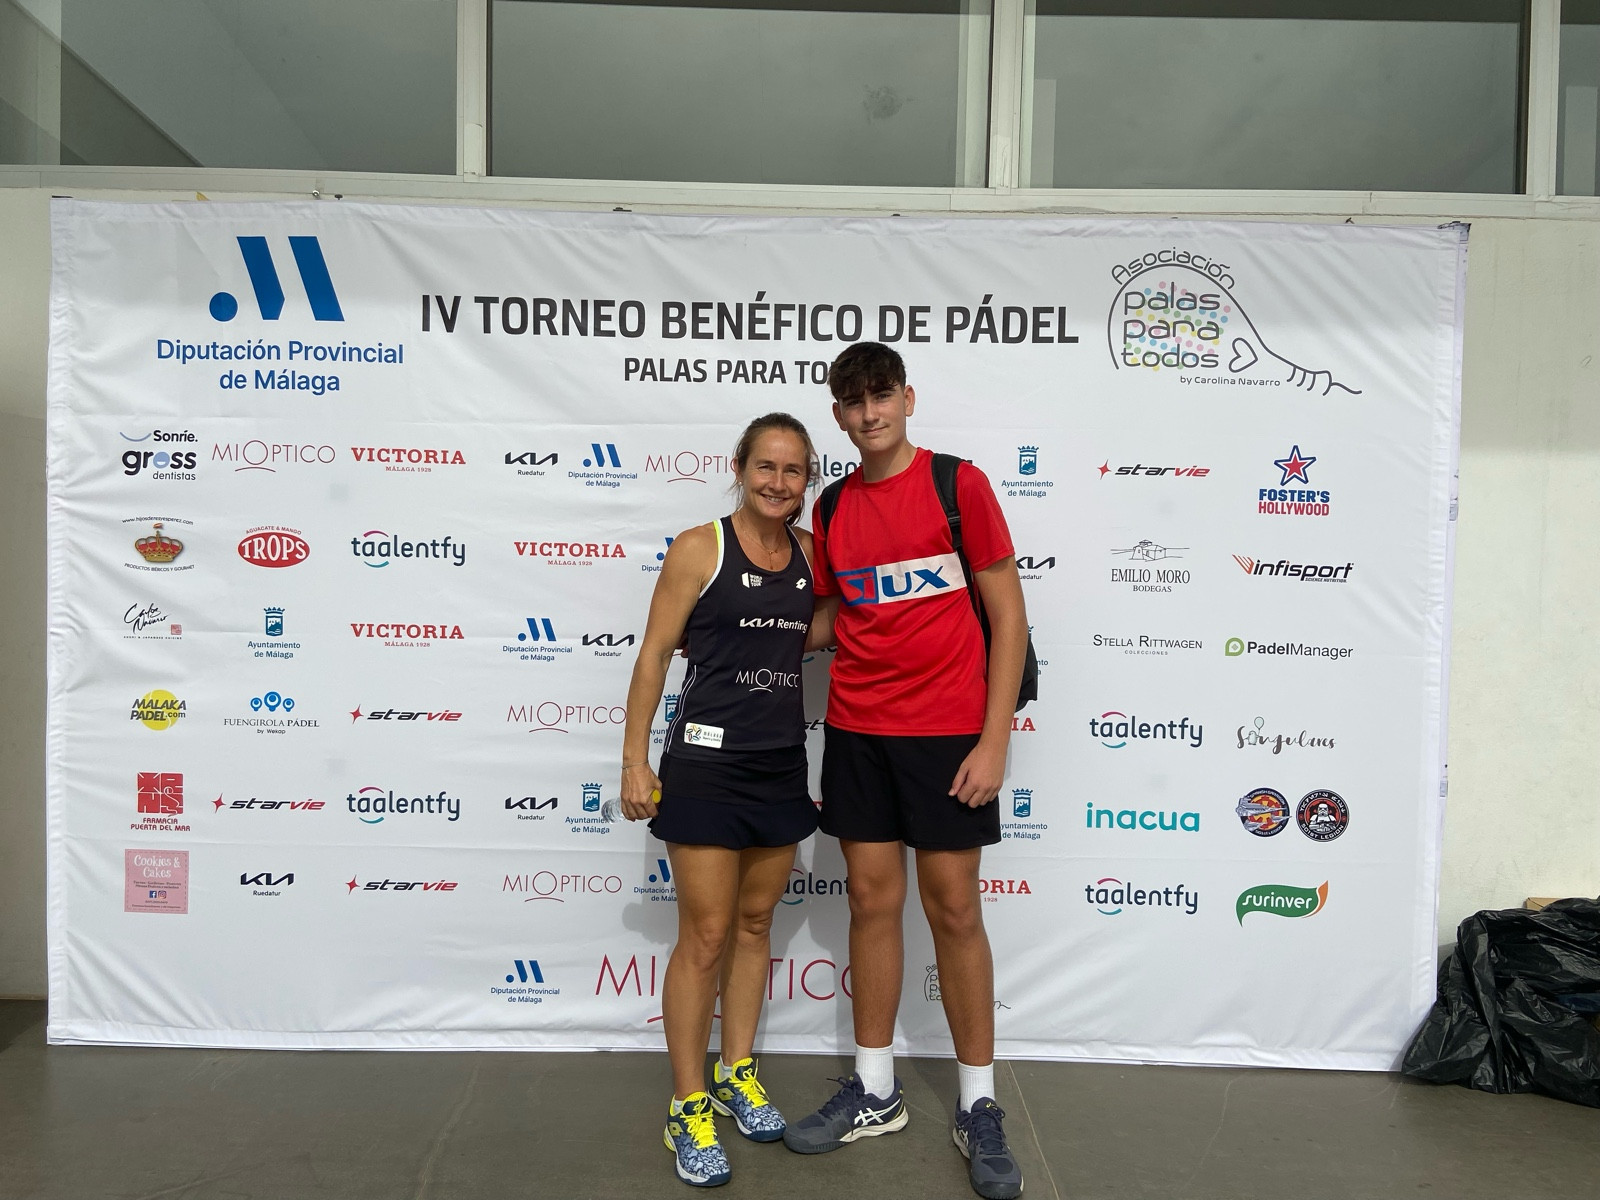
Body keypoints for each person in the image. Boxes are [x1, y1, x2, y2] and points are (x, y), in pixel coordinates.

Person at [781, 344, 1028, 1200]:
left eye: (881, 395)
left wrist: (994, 742)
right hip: (857, 730)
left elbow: (1010, 619)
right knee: (871, 902)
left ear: (907, 398)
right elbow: (834, 616)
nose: (869, 413)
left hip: (948, 734)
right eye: (853, 402)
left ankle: (979, 1103)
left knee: (954, 910)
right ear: (839, 416)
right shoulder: (834, 504)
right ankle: (875, 1089)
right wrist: (740, 626)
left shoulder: (960, 486)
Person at [619, 412, 823, 1188]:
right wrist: (634, 762)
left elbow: (825, 627)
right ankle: (687, 1103)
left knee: (754, 924)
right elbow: (652, 656)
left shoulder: (813, 554)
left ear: (807, 481)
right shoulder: (698, 548)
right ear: (739, 467)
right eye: (766, 466)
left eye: (793, 470)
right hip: (705, 768)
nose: (778, 482)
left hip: (780, 765)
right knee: (704, 936)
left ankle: (738, 1072)